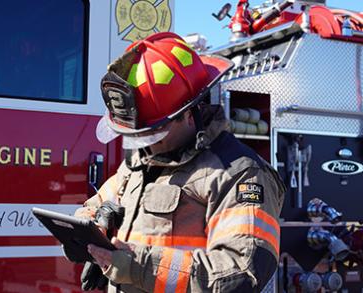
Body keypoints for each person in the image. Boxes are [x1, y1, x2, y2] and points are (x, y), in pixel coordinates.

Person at [74, 32, 285, 293]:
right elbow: (96, 205)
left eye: (153, 134)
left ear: (188, 113)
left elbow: (240, 274)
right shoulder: (140, 163)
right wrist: (92, 230)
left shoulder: (240, 175)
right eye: (136, 137)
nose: (146, 145)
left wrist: (136, 266)